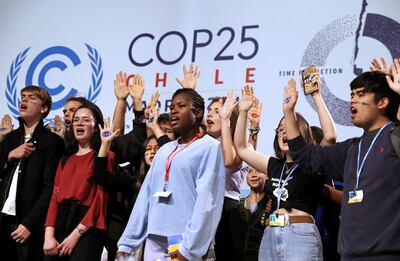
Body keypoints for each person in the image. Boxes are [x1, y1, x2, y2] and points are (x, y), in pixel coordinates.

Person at [284, 59, 400, 260]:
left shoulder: (394, 137)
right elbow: (305, 155)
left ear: (382, 102)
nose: (353, 100)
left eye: (361, 94)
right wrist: (288, 112)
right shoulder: (351, 148)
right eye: (352, 95)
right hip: (348, 254)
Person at [116, 88, 225, 260]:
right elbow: (145, 197)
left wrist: (190, 249)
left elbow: (208, 201)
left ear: (197, 112)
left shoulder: (209, 147)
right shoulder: (164, 150)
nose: (173, 110)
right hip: (154, 239)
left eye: (180, 106)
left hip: (184, 241)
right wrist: (127, 243)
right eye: (172, 106)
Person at [234, 82, 335, 260]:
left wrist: (316, 96)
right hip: (271, 234)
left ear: (301, 132)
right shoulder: (274, 165)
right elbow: (242, 149)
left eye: (288, 127)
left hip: (300, 235)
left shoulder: (312, 161)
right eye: (280, 130)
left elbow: (330, 136)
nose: (283, 132)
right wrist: (243, 113)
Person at [0, 86, 64, 261]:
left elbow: (50, 188)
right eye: (23, 97)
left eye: (31, 98)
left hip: (27, 224)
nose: (24, 100)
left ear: (44, 109)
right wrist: (10, 155)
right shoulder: (10, 139)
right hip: (3, 219)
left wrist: (30, 223)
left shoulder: (52, 142)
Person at [43, 103, 113, 260]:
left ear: (96, 128)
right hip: (61, 220)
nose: (79, 123)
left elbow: (100, 201)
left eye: (86, 120)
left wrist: (76, 235)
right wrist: (49, 233)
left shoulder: (104, 157)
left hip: (87, 226)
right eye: (76, 120)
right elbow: (55, 197)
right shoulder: (65, 159)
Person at [240, 167, 271, 261]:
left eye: (258, 171)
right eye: (250, 171)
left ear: (268, 176)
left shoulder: (273, 205)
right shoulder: (238, 205)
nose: (253, 175)